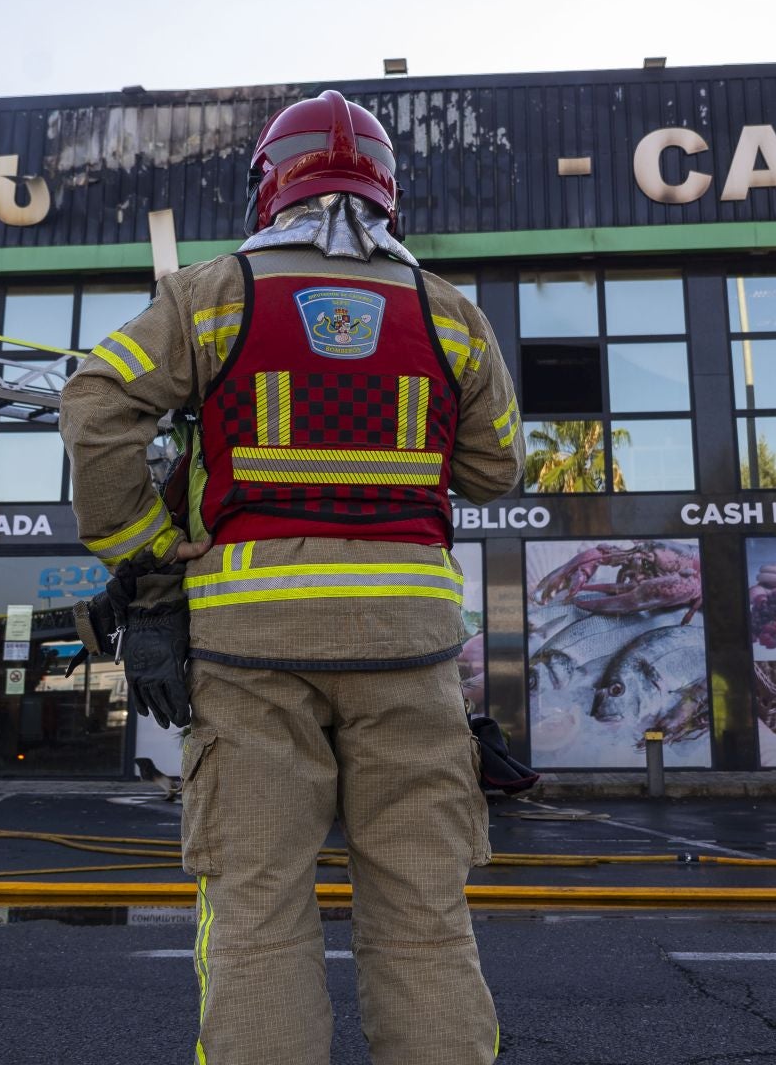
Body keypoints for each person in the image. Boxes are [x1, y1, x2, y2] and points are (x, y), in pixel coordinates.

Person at [59, 88, 524, 1065]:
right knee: (424, 912)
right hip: (411, 649)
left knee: (259, 906)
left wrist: (145, 547)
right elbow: (494, 469)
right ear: (390, 191)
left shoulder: (212, 293)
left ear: (267, 184)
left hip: (248, 652)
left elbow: (99, 401)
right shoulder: (453, 317)